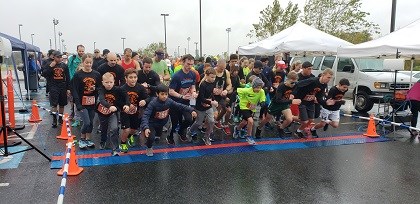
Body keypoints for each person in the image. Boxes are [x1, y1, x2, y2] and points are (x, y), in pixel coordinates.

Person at [141, 84, 197, 156]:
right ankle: (149, 147)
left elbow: (179, 106)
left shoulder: (169, 101)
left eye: (166, 94)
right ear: (157, 94)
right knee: (151, 137)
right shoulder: (153, 104)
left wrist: (191, 110)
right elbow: (146, 115)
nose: (164, 96)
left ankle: (157, 135)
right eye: (162, 94)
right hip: (152, 123)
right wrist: (146, 127)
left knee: (158, 135)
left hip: (162, 123)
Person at [255, 72, 301, 138]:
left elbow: (297, 89)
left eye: (295, 82)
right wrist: (291, 101)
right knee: (267, 119)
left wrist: (293, 95)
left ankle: (281, 128)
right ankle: (259, 128)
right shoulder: (281, 86)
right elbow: (278, 100)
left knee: (289, 119)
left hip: (285, 103)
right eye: (292, 82)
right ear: (287, 80)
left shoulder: (295, 85)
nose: (293, 84)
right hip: (275, 104)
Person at [291, 68, 334, 138]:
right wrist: (293, 94)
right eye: (328, 77)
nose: (329, 79)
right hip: (302, 101)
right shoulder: (312, 80)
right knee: (304, 121)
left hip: (310, 102)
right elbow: (298, 84)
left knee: (311, 120)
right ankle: (290, 119)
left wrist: (325, 103)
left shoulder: (324, 85)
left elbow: (319, 97)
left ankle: (298, 131)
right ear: (323, 75)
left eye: (330, 78)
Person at [72, 53, 102, 149]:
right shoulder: (78, 75)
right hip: (82, 102)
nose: (88, 65)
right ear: (83, 62)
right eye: (86, 63)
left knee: (91, 122)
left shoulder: (96, 74)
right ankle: (82, 139)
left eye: (90, 63)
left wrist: (96, 90)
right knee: (86, 122)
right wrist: (77, 103)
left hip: (92, 102)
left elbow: (100, 87)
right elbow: (74, 89)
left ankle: (88, 139)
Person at [96, 72, 130, 156]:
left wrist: (127, 104)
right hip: (102, 112)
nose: (109, 84)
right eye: (106, 82)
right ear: (103, 82)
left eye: (111, 82)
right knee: (104, 128)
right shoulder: (101, 89)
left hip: (113, 112)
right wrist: (109, 106)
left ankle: (115, 148)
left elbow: (126, 95)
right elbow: (102, 99)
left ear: (114, 82)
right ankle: (103, 141)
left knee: (114, 128)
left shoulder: (117, 89)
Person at [167, 54, 198, 145]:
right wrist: (181, 96)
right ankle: (170, 136)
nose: (190, 66)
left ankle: (181, 131)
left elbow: (192, 85)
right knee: (174, 122)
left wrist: (194, 92)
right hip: (175, 102)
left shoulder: (193, 74)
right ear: (182, 63)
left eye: (192, 64)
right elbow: (171, 91)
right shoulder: (177, 76)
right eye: (188, 64)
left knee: (189, 119)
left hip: (185, 102)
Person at [120, 68, 149, 151]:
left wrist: (144, 101)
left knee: (133, 130)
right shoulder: (122, 89)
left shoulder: (140, 88)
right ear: (126, 78)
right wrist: (124, 106)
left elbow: (148, 98)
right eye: (131, 77)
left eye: (135, 77)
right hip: (125, 112)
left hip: (136, 112)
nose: (133, 79)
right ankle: (123, 143)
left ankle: (129, 136)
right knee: (126, 129)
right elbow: (118, 101)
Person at [187, 68, 218, 145]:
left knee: (212, 121)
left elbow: (211, 94)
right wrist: (211, 102)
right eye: (211, 77)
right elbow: (201, 98)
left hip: (208, 106)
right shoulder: (203, 85)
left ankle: (207, 136)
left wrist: (213, 100)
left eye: (214, 77)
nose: (213, 79)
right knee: (198, 122)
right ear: (206, 76)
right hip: (200, 107)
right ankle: (190, 132)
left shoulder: (213, 83)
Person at [41, 51, 71, 128]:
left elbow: (67, 77)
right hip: (53, 86)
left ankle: (60, 118)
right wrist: (50, 67)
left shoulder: (64, 65)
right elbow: (44, 74)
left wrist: (68, 88)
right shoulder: (49, 64)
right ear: (54, 57)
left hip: (62, 86)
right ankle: (54, 119)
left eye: (60, 57)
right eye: (58, 57)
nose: (60, 58)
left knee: (62, 104)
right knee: (54, 104)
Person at [233, 77, 266, 145]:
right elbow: (236, 91)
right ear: (253, 86)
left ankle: (237, 129)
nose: (258, 89)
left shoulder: (261, 91)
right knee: (250, 121)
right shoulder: (247, 90)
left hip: (251, 108)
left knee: (244, 122)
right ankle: (249, 137)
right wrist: (237, 99)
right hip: (244, 106)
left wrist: (262, 103)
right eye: (257, 87)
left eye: (260, 87)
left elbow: (263, 99)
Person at [213, 59, 233, 135]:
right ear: (217, 65)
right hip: (212, 95)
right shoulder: (212, 71)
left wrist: (226, 90)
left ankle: (219, 122)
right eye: (221, 68)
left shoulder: (226, 72)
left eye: (224, 68)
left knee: (227, 110)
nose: (222, 70)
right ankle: (207, 129)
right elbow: (203, 83)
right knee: (214, 113)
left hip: (221, 95)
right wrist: (212, 89)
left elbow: (229, 84)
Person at [67, 45, 85, 126]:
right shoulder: (72, 58)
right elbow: (68, 68)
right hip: (73, 82)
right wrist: (70, 80)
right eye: (80, 51)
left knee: (82, 100)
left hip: (82, 82)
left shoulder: (84, 59)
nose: (81, 52)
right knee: (73, 100)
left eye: (82, 51)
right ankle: (73, 114)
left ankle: (82, 117)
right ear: (77, 50)